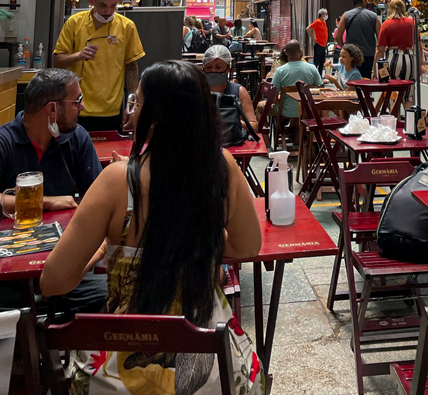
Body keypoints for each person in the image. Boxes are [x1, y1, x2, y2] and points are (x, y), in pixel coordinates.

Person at [40, 60, 264, 395]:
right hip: (212, 366)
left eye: (137, 101)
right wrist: (203, 238)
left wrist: (101, 249)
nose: (132, 109)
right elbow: (248, 248)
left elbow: (54, 282)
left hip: (119, 371)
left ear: (155, 116)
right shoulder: (221, 167)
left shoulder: (117, 181)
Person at [0, 68, 106, 314]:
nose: (82, 107)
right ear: (52, 109)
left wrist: (76, 267)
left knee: (111, 295)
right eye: (77, 101)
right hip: (8, 271)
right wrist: (45, 202)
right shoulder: (5, 140)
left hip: (62, 271)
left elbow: (101, 203)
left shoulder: (77, 138)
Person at [53, 0, 145, 132]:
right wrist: (78, 55)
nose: (108, 11)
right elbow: (57, 61)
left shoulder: (127, 26)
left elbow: (131, 66)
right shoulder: (75, 23)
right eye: (102, 5)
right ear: (92, 1)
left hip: (111, 108)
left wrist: (132, 104)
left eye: (113, 6)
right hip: (77, 106)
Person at [202, 45, 258, 135]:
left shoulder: (239, 92)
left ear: (228, 68)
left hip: (233, 143)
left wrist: (234, 122)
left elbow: (254, 127)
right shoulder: (197, 91)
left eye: (219, 67)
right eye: (209, 67)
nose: (213, 71)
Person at [267, 40, 321, 119]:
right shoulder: (312, 68)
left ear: (285, 52)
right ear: (300, 51)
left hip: (285, 111)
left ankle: (273, 129)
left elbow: (274, 98)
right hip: (308, 110)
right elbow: (319, 88)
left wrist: (280, 97)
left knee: (259, 108)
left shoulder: (280, 71)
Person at [335, 0, 381, 76]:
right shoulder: (374, 16)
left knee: (352, 81)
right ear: (364, 1)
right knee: (366, 82)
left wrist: (345, 49)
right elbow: (380, 38)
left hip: (352, 56)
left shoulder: (346, 15)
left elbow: (338, 37)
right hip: (369, 55)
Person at [373, 0, 416, 80]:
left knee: (392, 88)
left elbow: (380, 49)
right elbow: (418, 46)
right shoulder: (412, 23)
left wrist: (375, 70)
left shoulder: (386, 24)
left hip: (392, 58)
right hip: (409, 58)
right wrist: (420, 64)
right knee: (408, 87)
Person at [306, 8, 329, 73]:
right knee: (316, 62)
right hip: (319, 44)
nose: (327, 15)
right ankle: (313, 75)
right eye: (325, 14)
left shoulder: (324, 22)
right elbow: (308, 29)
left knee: (322, 62)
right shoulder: (317, 22)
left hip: (323, 45)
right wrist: (313, 38)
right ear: (322, 15)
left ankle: (320, 76)